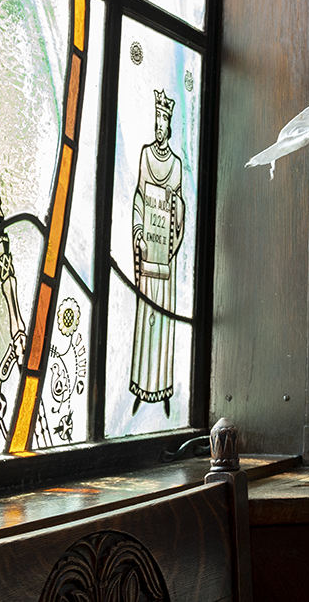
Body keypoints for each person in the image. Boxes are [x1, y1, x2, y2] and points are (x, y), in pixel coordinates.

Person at [130, 89, 185, 417]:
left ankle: (163, 388)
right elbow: (139, 196)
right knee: (145, 317)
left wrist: (173, 213)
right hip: (148, 248)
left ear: (170, 125)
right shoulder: (145, 156)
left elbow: (179, 205)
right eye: (156, 121)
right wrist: (138, 231)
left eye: (163, 121)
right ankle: (140, 384)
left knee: (164, 318)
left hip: (166, 254)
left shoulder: (177, 165)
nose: (159, 127)